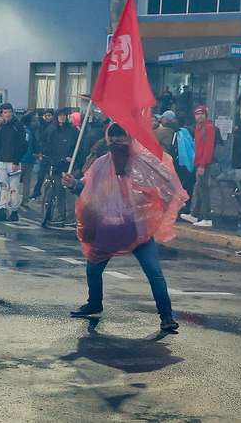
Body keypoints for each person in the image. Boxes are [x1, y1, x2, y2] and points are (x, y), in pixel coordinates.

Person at [62, 123, 184, 333]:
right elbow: (87, 188)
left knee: (154, 272)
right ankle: (94, 303)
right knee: (93, 267)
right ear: (108, 142)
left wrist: (151, 205)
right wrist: (73, 184)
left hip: (138, 228)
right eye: (113, 141)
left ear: (130, 141)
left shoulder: (144, 164)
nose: (117, 145)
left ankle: (166, 316)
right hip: (109, 227)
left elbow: (167, 185)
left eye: (121, 141)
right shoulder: (101, 165)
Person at [42, 108, 79, 226]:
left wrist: (70, 157)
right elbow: (48, 148)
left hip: (70, 165)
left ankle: (71, 216)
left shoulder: (72, 130)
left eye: (64, 115)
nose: (62, 117)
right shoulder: (51, 130)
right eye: (60, 115)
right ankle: (60, 215)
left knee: (69, 192)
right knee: (58, 191)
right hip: (56, 165)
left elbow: (77, 146)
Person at [180, 105, 216, 228]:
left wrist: (202, 165)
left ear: (206, 115)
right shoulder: (199, 128)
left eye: (201, 113)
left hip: (204, 163)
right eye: (197, 114)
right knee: (199, 188)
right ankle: (194, 214)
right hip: (199, 162)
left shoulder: (209, 128)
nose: (199, 116)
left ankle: (207, 218)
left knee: (203, 189)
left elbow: (208, 148)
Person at [0, 103, 28, 222]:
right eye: (5, 112)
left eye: (9, 112)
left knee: (14, 188)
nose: (7, 114)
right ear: (1, 113)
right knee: (3, 186)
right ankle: (2, 209)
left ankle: (14, 211)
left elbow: (22, 145)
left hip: (13, 162)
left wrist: (16, 161)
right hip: (2, 161)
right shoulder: (1, 127)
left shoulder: (18, 126)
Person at [30, 109, 55, 199]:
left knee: (53, 176)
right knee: (41, 175)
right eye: (46, 115)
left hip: (53, 154)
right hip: (43, 154)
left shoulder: (55, 126)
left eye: (49, 115)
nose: (48, 117)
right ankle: (37, 191)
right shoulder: (40, 126)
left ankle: (51, 194)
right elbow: (38, 140)